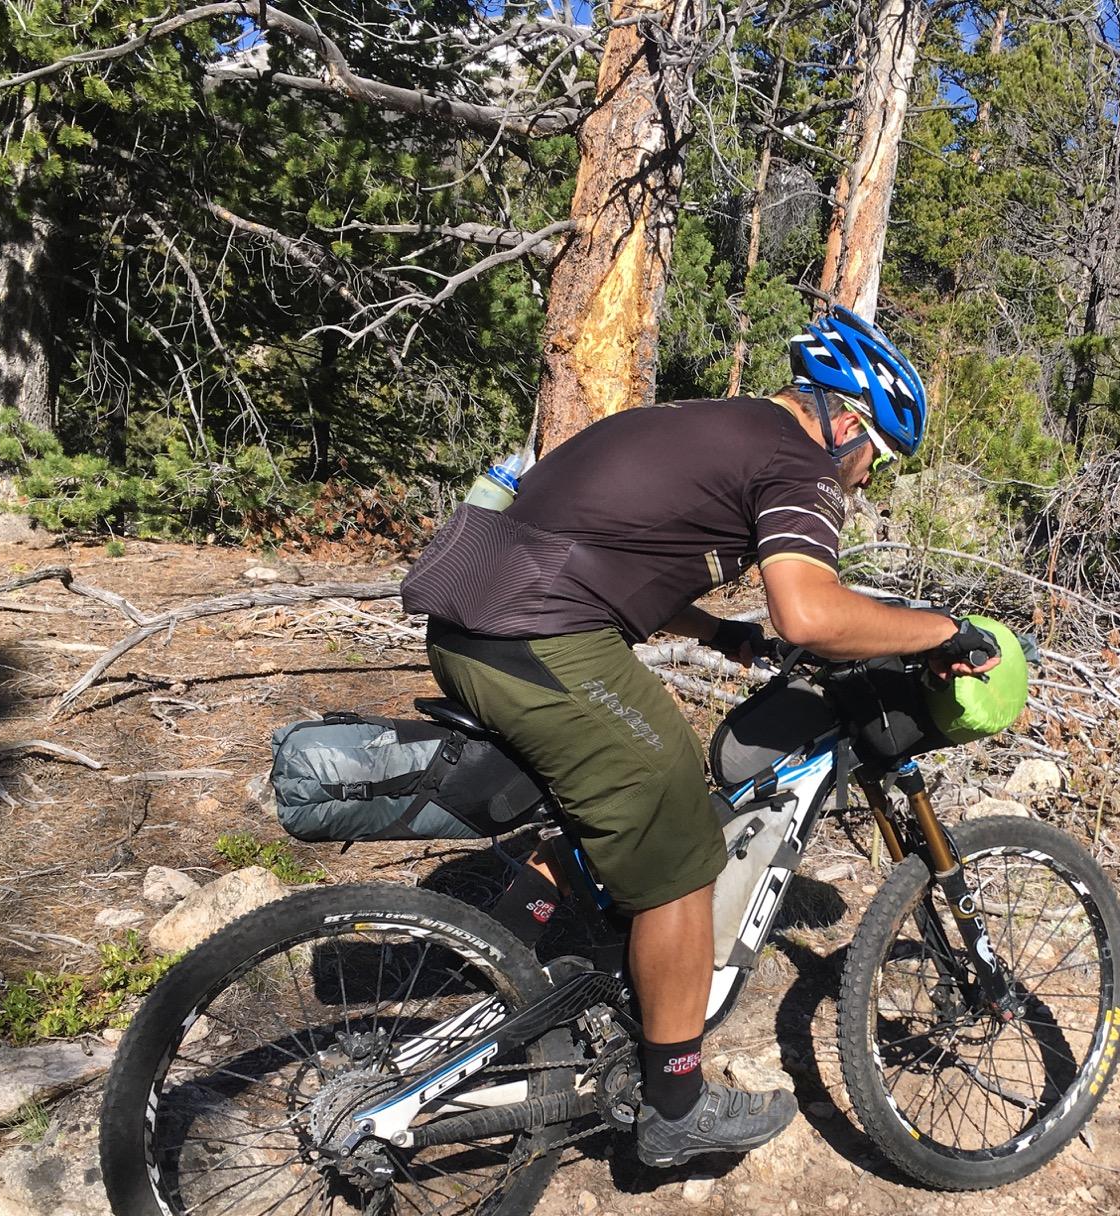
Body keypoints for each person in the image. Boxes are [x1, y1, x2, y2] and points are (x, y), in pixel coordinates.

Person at [401, 305, 1000, 1168]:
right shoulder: (800, 463)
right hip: (537, 637)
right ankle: (676, 1106)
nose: (867, 479)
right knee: (682, 843)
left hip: (471, 619)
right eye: (878, 458)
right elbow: (810, 611)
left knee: (610, 801)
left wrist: (719, 633)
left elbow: (610, 537)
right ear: (847, 423)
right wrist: (944, 630)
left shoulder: (708, 424)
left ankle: (506, 969)